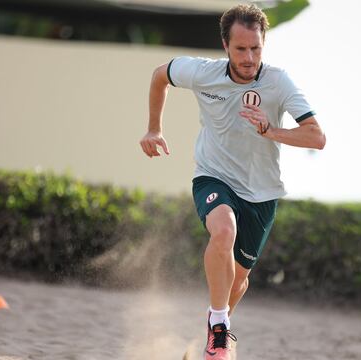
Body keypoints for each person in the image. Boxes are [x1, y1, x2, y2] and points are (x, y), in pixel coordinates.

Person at [139, 4, 325, 359]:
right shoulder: (201, 72)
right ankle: (221, 330)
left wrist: (271, 130)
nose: (249, 56)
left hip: (262, 191)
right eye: (241, 49)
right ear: (225, 45)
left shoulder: (278, 82)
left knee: (239, 280)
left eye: (255, 48)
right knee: (223, 231)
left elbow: (316, 137)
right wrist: (153, 127)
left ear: (263, 45)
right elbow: (159, 75)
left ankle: (215, 329)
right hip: (214, 175)